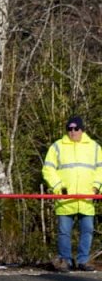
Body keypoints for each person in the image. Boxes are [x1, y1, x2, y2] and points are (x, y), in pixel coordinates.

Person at [42, 115, 102, 272]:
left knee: (87, 230)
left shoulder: (94, 147)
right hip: (65, 199)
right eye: (69, 129)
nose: (73, 132)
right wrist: (58, 187)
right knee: (64, 232)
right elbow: (48, 169)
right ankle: (66, 261)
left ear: (82, 130)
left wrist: (96, 188)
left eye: (76, 128)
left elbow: (100, 170)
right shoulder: (57, 146)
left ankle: (83, 261)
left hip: (87, 198)